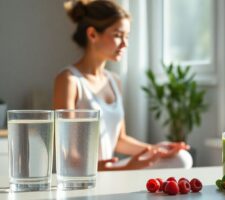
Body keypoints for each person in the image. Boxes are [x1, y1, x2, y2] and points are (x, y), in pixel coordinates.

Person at [53, 0, 193, 171]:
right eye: (118, 35)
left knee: (181, 158)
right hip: (86, 174)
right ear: (92, 34)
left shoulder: (114, 80)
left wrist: (156, 149)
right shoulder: (69, 80)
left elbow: (119, 140)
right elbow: (68, 155)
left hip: (113, 170)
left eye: (127, 36)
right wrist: (124, 168)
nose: (125, 44)